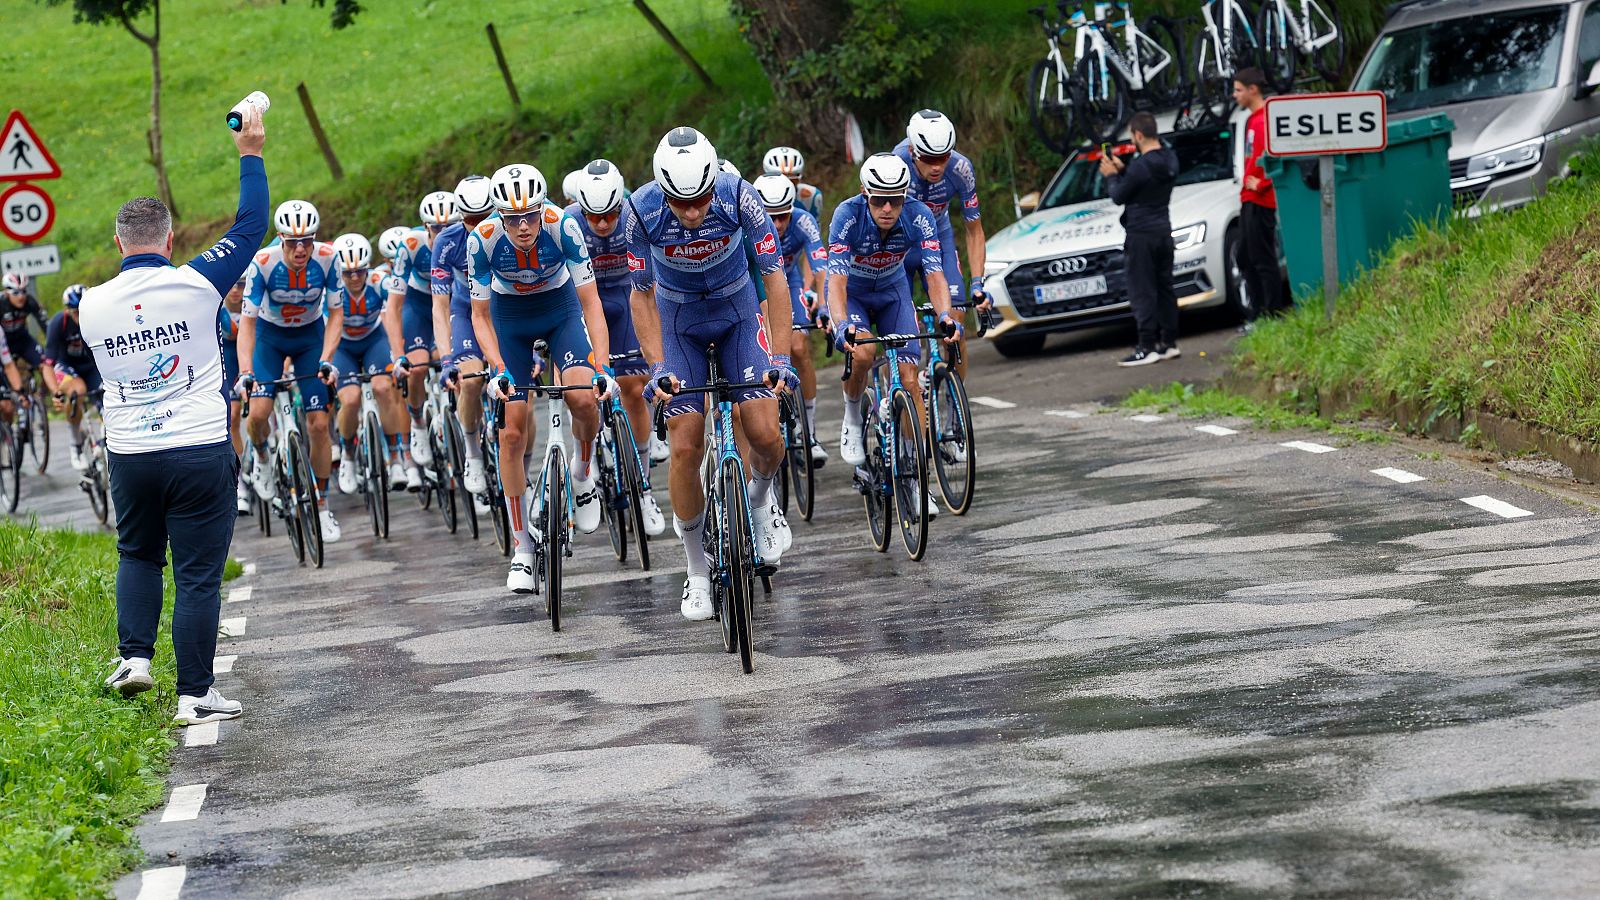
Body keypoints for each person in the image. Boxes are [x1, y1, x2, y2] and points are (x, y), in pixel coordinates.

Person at [78, 100, 268, 726]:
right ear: (169, 240)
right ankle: (194, 696)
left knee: (137, 554)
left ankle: (134, 658)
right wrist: (250, 152)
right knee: (196, 576)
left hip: (131, 453)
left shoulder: (90, 304)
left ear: (117, 244)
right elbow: (251, 225)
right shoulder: (196, 283)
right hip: (198, 448)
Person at [626, 126, 796, 621]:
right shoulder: (641, 211)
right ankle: (696, 569)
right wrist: (657, 367)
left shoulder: (740, 196)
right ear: (663, 191)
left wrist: (781, 358)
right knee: (684, 445)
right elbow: (640, 295)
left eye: (700, 199)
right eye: (682, 203)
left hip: (737, 313)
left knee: (765, 433)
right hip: (679, 323)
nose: (693, 212)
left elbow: (775, 279)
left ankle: (760, 502)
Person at [468, 163, 614, 593]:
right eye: (513, 218)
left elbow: (591, 303)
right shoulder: (482, 240)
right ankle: (522, 549)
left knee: (583, 398)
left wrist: (603, 367)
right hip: (509, 319)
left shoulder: (563, 226)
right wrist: (497, 367)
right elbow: (480, 316)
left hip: (560, 310)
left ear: (542, 208)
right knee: (511, 433)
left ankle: (582, 473)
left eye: (530, 215)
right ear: (499, 216)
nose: (523, 226)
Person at [828, 152, 959, 516]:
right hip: (854, 295)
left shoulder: (919, 215)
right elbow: (836, 282)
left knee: (910, 378)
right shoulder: (846, 215)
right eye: (878, 200)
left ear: (905, 197)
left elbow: (934, 273)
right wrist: (841, 324)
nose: (887, 208)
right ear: (864, 193)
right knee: (864, 353)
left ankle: (916, 480)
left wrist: (945, 315)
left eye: (895, 200)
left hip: (893, 293)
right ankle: (853, 416)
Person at [567, 158, 667, 536]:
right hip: (585, 304)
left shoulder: (634, 214)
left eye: (610, 214)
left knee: (636, 386)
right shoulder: (568, 222)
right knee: (585, 391)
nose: (603, 223)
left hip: (626, 298)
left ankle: (642, 485)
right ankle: (588, 455)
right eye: (594, 216)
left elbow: (654, 271)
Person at [236, 198, 342, 544]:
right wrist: (246, 371)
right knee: (258, 413)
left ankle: (322, 504)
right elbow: (247, 324)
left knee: (320, 424)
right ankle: (263, 459)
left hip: (310, 339)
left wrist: (327, 357)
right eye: (293, 241)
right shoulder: (263, 263)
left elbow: (336, 314)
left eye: (307, 240)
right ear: (281, 239)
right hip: (271, 339)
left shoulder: (328, 258)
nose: (300, 249)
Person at [895, 110, 992, 379]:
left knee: (956, 322)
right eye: (929, 159)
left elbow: (974, 230)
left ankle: (955, 400)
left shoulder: (961, 169)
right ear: (913, 151)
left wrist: (978, 283)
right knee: (901, 336)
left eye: (943, 157)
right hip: (900, 247)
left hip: (939, 239)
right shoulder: (897, 166)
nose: (937, 166)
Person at [753, 173, 829, 465]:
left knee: (798, 346)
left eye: (783, 216)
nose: (777, 224)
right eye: (770, 217)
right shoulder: (747, 225)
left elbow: (820, 265)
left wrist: (824, 306)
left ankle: (809, 431)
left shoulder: (803, 220)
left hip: (788, 281)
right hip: (753, 286)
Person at [324, 233, 409, 495]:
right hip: (343, 346)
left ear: (368, 267)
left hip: (374, 340)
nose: (354, 278)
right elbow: (325, 328)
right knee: (350, 399)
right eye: (347, 273)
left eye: (359, 271)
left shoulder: (379, 282)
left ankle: (395, 457)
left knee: (383, 388)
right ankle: (348, 456)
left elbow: (392, 316)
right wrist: (325, 360)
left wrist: (398, 355)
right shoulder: (330, 289)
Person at [430, 175, 496, 496]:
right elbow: (440, 306)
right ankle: (472, 455)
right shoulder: (446, 242)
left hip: (502, 311)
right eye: (471, 219)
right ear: (460, 217)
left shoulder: (510, 232)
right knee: (470, 382)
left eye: (485, 217)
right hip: (466, 312)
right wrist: (446, 360)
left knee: (519, 393)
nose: (478, 225)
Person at [1101, 111, 1180, 366]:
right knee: (1165, 287)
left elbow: (1118, 196)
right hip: (1163, 230)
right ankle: (1169, 342)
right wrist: (1125, 170)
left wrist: (1112, 175)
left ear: (1138, 135)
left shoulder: (1140, 166)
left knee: (1142, 290)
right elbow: (1144, 184)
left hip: (1140, 235)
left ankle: (1146, 346)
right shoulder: (1169, 158)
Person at [389, 192, 456, 473]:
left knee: (460, 363)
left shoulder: (462, 240)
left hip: (450, 302)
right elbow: (394, 306)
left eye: (448, 227)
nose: (442, 233)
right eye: (436, 228)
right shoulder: (411, 245)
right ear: (426, 227)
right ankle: (417, 421)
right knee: (417, 368)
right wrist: (398, 354)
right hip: (418, 306)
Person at [1234, 67, 1284, 327]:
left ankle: (1271, 314)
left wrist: (1263, 183)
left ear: (1253, 90)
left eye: (1238, 90)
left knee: (1262, 257)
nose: (1235, 95)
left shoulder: (1265, 120)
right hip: (1248, 197)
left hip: (1260, 199)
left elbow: (1279, 155)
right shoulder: (1253, 120)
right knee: (1244, 256)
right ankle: (1258, 311)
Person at [42, 285, 102, 470]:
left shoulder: (99, 317)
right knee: (78, 391)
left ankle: (107, 442)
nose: (80, 316)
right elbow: (47, 365)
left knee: (107, 399)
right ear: (67, 310)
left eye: (83, 311)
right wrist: (56, 392)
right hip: (67, 366)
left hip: (91, 366)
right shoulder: (58, 323)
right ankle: (75, 444)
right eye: (76, 312)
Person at [216, 275, 251, 512]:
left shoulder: (255, 301)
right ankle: (241, 480)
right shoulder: (218, 307)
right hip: (230, 362)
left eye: (241, 284)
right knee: (234, 417)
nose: (236, 290)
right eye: (232, 284)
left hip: (253, 356)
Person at [2, 272, 48, 381]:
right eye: (16, 292)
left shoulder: (30, 301)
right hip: (3, 342)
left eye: (23, 291)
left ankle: (45, 390)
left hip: (23, 340)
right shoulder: (1, 303)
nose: (21, 297)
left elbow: (46, 325)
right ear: (6, 292)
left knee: (46, 364)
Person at [762, 146, 824, 220]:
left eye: (793, 181)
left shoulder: (812, 196)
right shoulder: (757, 196)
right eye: (780, 182)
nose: (787, 187)